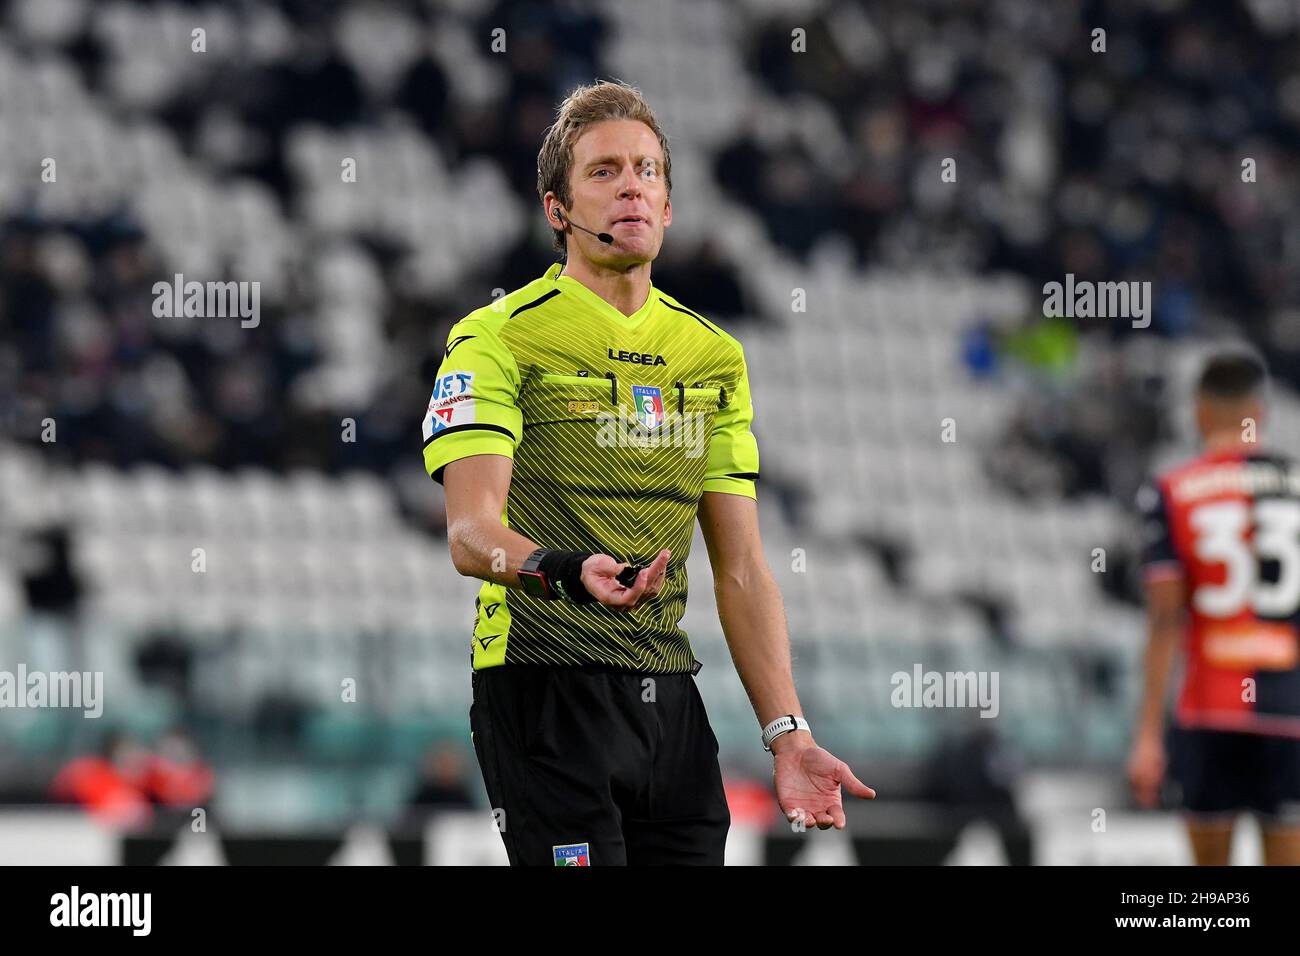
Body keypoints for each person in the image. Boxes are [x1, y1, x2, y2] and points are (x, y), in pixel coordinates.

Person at [420, 80, 874, 865]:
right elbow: (470, 536)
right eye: (602, 172)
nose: (631, 184)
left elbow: (742, 570)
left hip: (669, 697)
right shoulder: (496, 339)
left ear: (667, 207)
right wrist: (564, 571)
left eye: (648, 171)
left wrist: (787, 733)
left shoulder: (714, 356)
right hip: (540, 681)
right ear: (556, 209)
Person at [1129, 351, 1300, 865]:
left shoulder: (1173, 490)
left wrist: (1147, 736)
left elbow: (1164, 619)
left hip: (1209, 708)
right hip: (1290, 713)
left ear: (1200, 412)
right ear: (1261, 412)